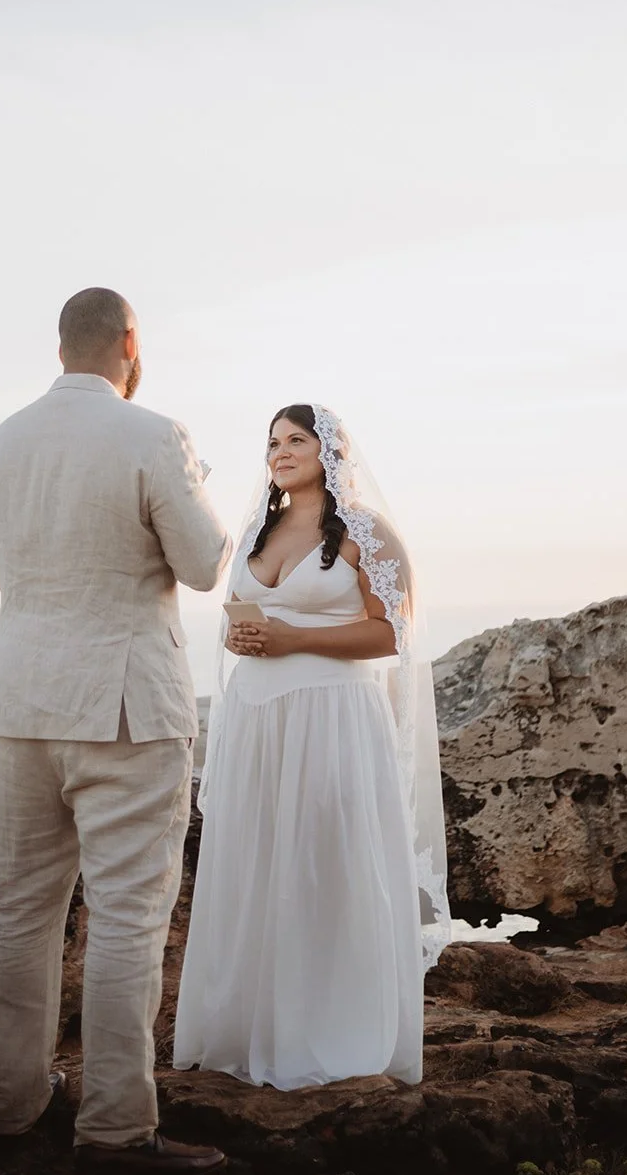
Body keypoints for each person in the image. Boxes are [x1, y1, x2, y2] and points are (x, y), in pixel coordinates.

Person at [0, 287, 232, 1175]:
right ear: (130, 341)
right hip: (125, 709)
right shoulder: (153, 434)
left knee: (16, 910)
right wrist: (194, 486)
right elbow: (204, 565)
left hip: (17, 705)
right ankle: (115, 1128)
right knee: (125, 916)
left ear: (59, 348)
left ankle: (10, 1107)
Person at [173, 403, 450, 1089]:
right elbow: (240, 620)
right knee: (257, 860)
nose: (281, 451)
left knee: (327, 861)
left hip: (332, 716)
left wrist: (293, 638)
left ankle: (331, 1032)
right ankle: (250, 1030)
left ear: (331, 451)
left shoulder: (366, 531)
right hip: (256, 718)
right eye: (273, 441)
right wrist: (245, 635)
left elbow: (392, 633)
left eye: (297, 439)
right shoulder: (256, 530)